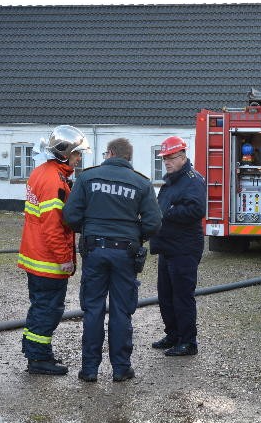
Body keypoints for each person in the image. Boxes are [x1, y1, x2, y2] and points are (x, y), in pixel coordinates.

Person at [63, 137, 161, 382]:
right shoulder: (141, 182)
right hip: (125, 253)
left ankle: (89, 370)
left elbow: (70, 215)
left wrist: (90, 228)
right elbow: (153, 223)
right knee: (121, 311)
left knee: (93, 309)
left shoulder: (87, 178)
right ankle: (120, 368)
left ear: (109, 153)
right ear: (128, 157)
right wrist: (135, 235)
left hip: (94, 251)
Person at [17, 125, 91, 375]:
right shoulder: (53, 180)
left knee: (39, 306)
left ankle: (35, 350)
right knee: (49, 309)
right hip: (47, 260)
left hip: (35, 255)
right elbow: (52, 226)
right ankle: (38, 360)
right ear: (64, 152)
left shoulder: (42, 172)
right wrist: (64, 259)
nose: (79, 158)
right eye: (77, 153)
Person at [149, 136, 207, 356]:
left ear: (182, 157)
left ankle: (188, 341)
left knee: (182, 296)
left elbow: (195, 210)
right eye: (164, 159)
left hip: (184, 247)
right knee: (166, 294)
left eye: (170, 158)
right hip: (168, 246)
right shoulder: (172, 179)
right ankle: (173, 334)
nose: (167, 162)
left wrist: (167, 213)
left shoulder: (192, 180)